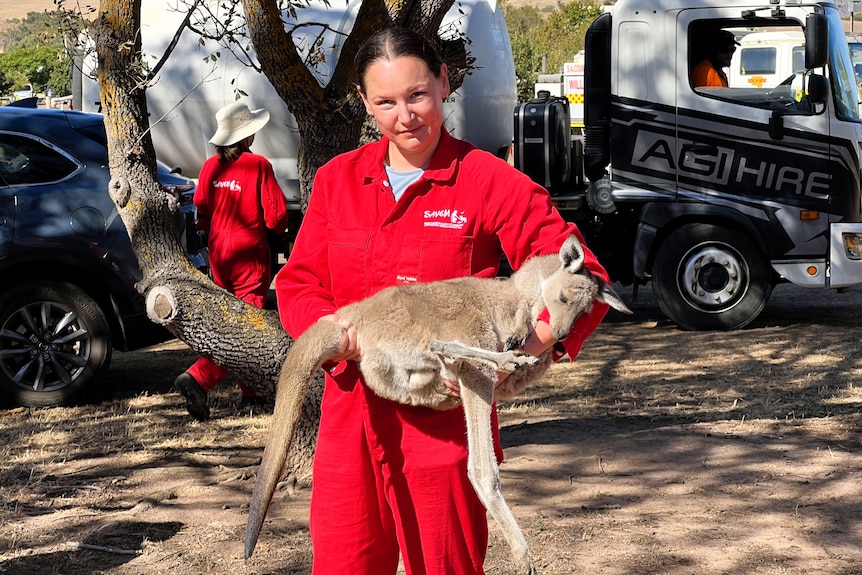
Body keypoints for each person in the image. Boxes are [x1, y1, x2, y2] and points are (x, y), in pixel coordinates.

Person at [274, 28, 611, 574]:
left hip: (443, 422)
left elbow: (581, 273)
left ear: (444, 84)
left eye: (417, 96)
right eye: (385, 102)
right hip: (350, 413)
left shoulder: (486, 179)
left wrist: (527, 349)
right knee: (344, 561)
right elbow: (298, 282)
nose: (404, 115)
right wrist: (335, 335)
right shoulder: (338, 180)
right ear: (364, 103)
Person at [174, 101, 289, 421]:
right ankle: (199, 377)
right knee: (246, 327)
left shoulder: (210, 167)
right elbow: (277, 217)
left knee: (230, 321)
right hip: (249, 256)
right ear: (247, 137)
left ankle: (251, 392)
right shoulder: (259, 166)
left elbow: (201, 208)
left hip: (219, 256)